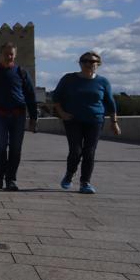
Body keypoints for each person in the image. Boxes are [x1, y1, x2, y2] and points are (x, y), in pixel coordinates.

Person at [51, 52, 120, 194]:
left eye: (93, 61)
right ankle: (70, 174)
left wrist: (114, 122)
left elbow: (110, 103)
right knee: (75, 151)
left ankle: (85, 183)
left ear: (98, 64)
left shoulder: (103, 82)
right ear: (80, 63)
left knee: (89, 152)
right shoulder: (69, 79)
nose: (89, 64)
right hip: (73, 120)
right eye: (85, 61)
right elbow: (56, 97)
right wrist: (62, 113)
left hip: (95, 121)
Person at [0, 42, 38, 191]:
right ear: (1, 54)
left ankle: (11, 179)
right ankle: (0, 175)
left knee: (16, 148)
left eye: (11, 54)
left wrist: (33, 118)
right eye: (6, 53)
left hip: (19, 114)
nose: (8, 56)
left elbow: (31, 95)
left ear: (15, 55)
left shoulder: (21, 72)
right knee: (1, 146)